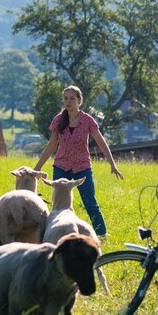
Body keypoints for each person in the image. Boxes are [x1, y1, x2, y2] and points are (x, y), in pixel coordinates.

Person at [34, 85, 124, 240]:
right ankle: (51, 235)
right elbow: (51, 144)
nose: (68, 101)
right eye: (65, 98)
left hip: (82, 167)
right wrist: (37, 167)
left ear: (79, 100)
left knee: (90, 202)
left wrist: (112, 164)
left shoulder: (87, 120)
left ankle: (102, 235)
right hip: (61, 166)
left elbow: (102, 143)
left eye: (72, 98)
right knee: (57, 205)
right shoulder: (58, 120)